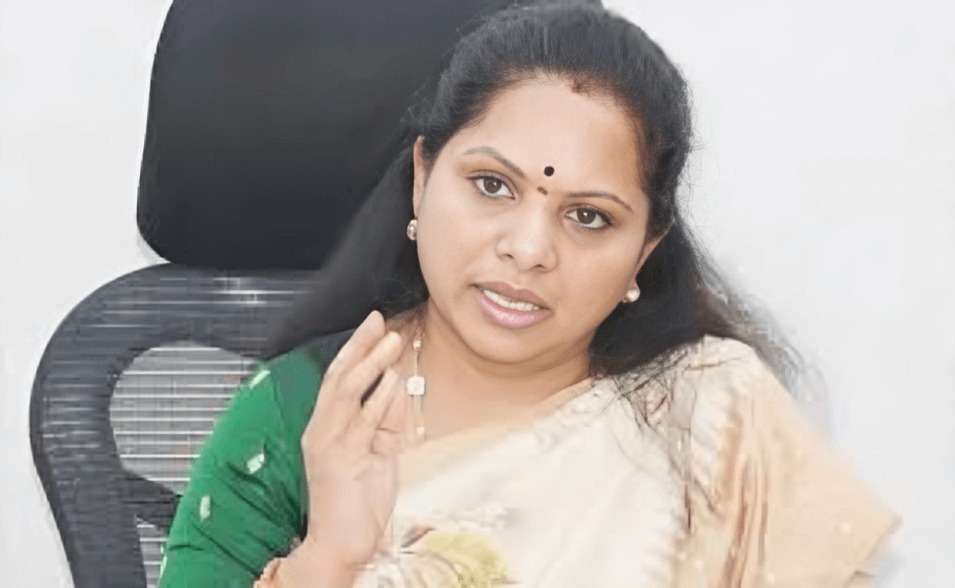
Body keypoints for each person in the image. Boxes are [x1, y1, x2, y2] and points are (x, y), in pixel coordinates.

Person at [158, 3, 900, 587]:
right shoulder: (303, 415)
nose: (529, 248)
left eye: (588, 217)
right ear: (422, 177)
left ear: (644, 250)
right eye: (491, 185)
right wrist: (330, 556)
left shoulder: (713, 417)